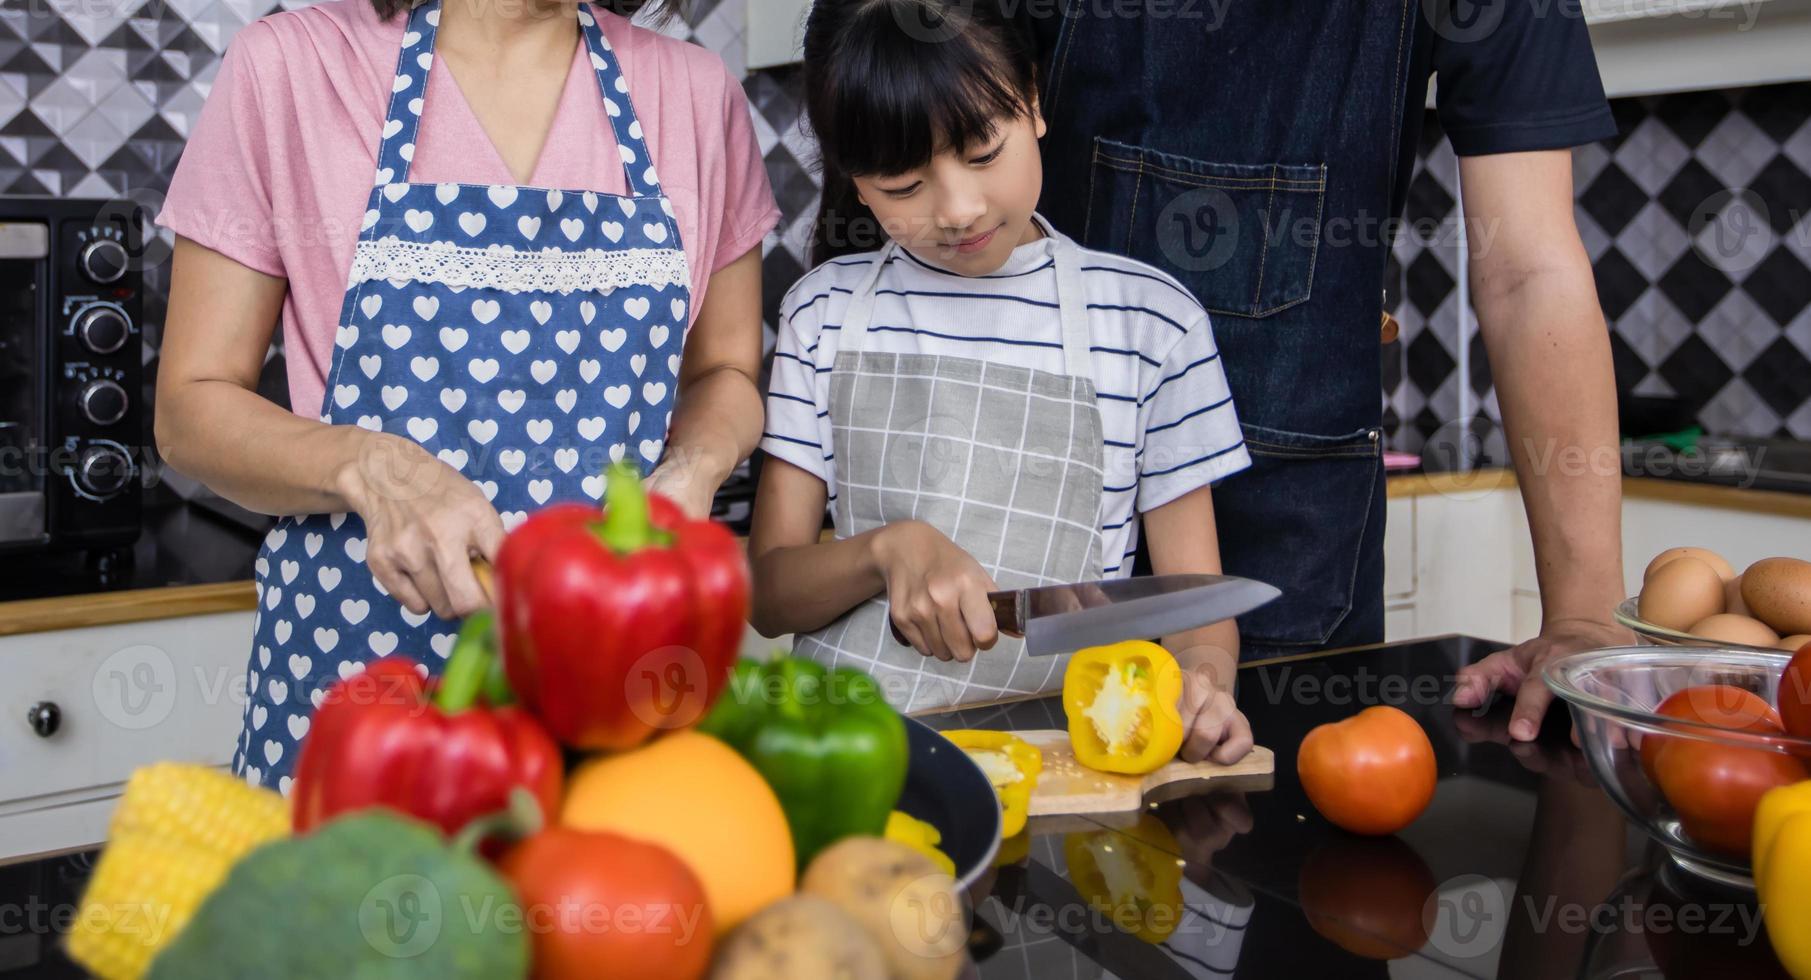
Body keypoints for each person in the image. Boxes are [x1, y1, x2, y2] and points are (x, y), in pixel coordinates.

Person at [154, 0, 778, 789]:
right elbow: (190, 410)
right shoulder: (291, 66)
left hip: (612, 680)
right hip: (357, 680)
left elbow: (725, 372)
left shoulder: (694, 93)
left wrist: (694, 465)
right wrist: (370, 466)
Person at [1026, 0, 1629, 737]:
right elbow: (910, 122)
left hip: (1299, 548)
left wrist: (1584, 616)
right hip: (1029, 503)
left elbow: (1528, 270)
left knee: (1284, 841)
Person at [747, 0, 1255, 763]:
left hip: (1071, 759)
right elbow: (770, 593)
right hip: (850, 760)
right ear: (855, 183)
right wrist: (888, 550)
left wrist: (1204, 686)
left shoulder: (1152, 322)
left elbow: (1194, 608)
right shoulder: (821, 314)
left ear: (1034, 101)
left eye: (983, 151)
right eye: (903, 184)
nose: (958, 209)